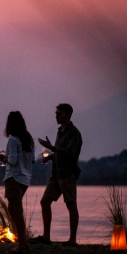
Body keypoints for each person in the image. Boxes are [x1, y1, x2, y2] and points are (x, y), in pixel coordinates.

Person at [37, 103, 83, 246]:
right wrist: (50, 156)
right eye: (56, 113)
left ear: (67, 115)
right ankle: (46, 237)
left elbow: (70, 154)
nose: (56, 116)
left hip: (67, 174)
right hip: (56, 174)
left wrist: (52, 148)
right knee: (45, 201)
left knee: (71, 204)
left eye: (59, 114)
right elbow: (59, 153)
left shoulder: (74, 133)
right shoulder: (60, 131)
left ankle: (72, 240)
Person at [0, 111, 35, 254]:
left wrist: (4, 157)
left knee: (17, 212)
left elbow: (12, 160)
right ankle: (23, 242)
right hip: (25, 178)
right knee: (13, 210)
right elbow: (32, 160)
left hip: (13, 177)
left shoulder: (13, 139)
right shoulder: (28, 138)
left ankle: (22, 246)